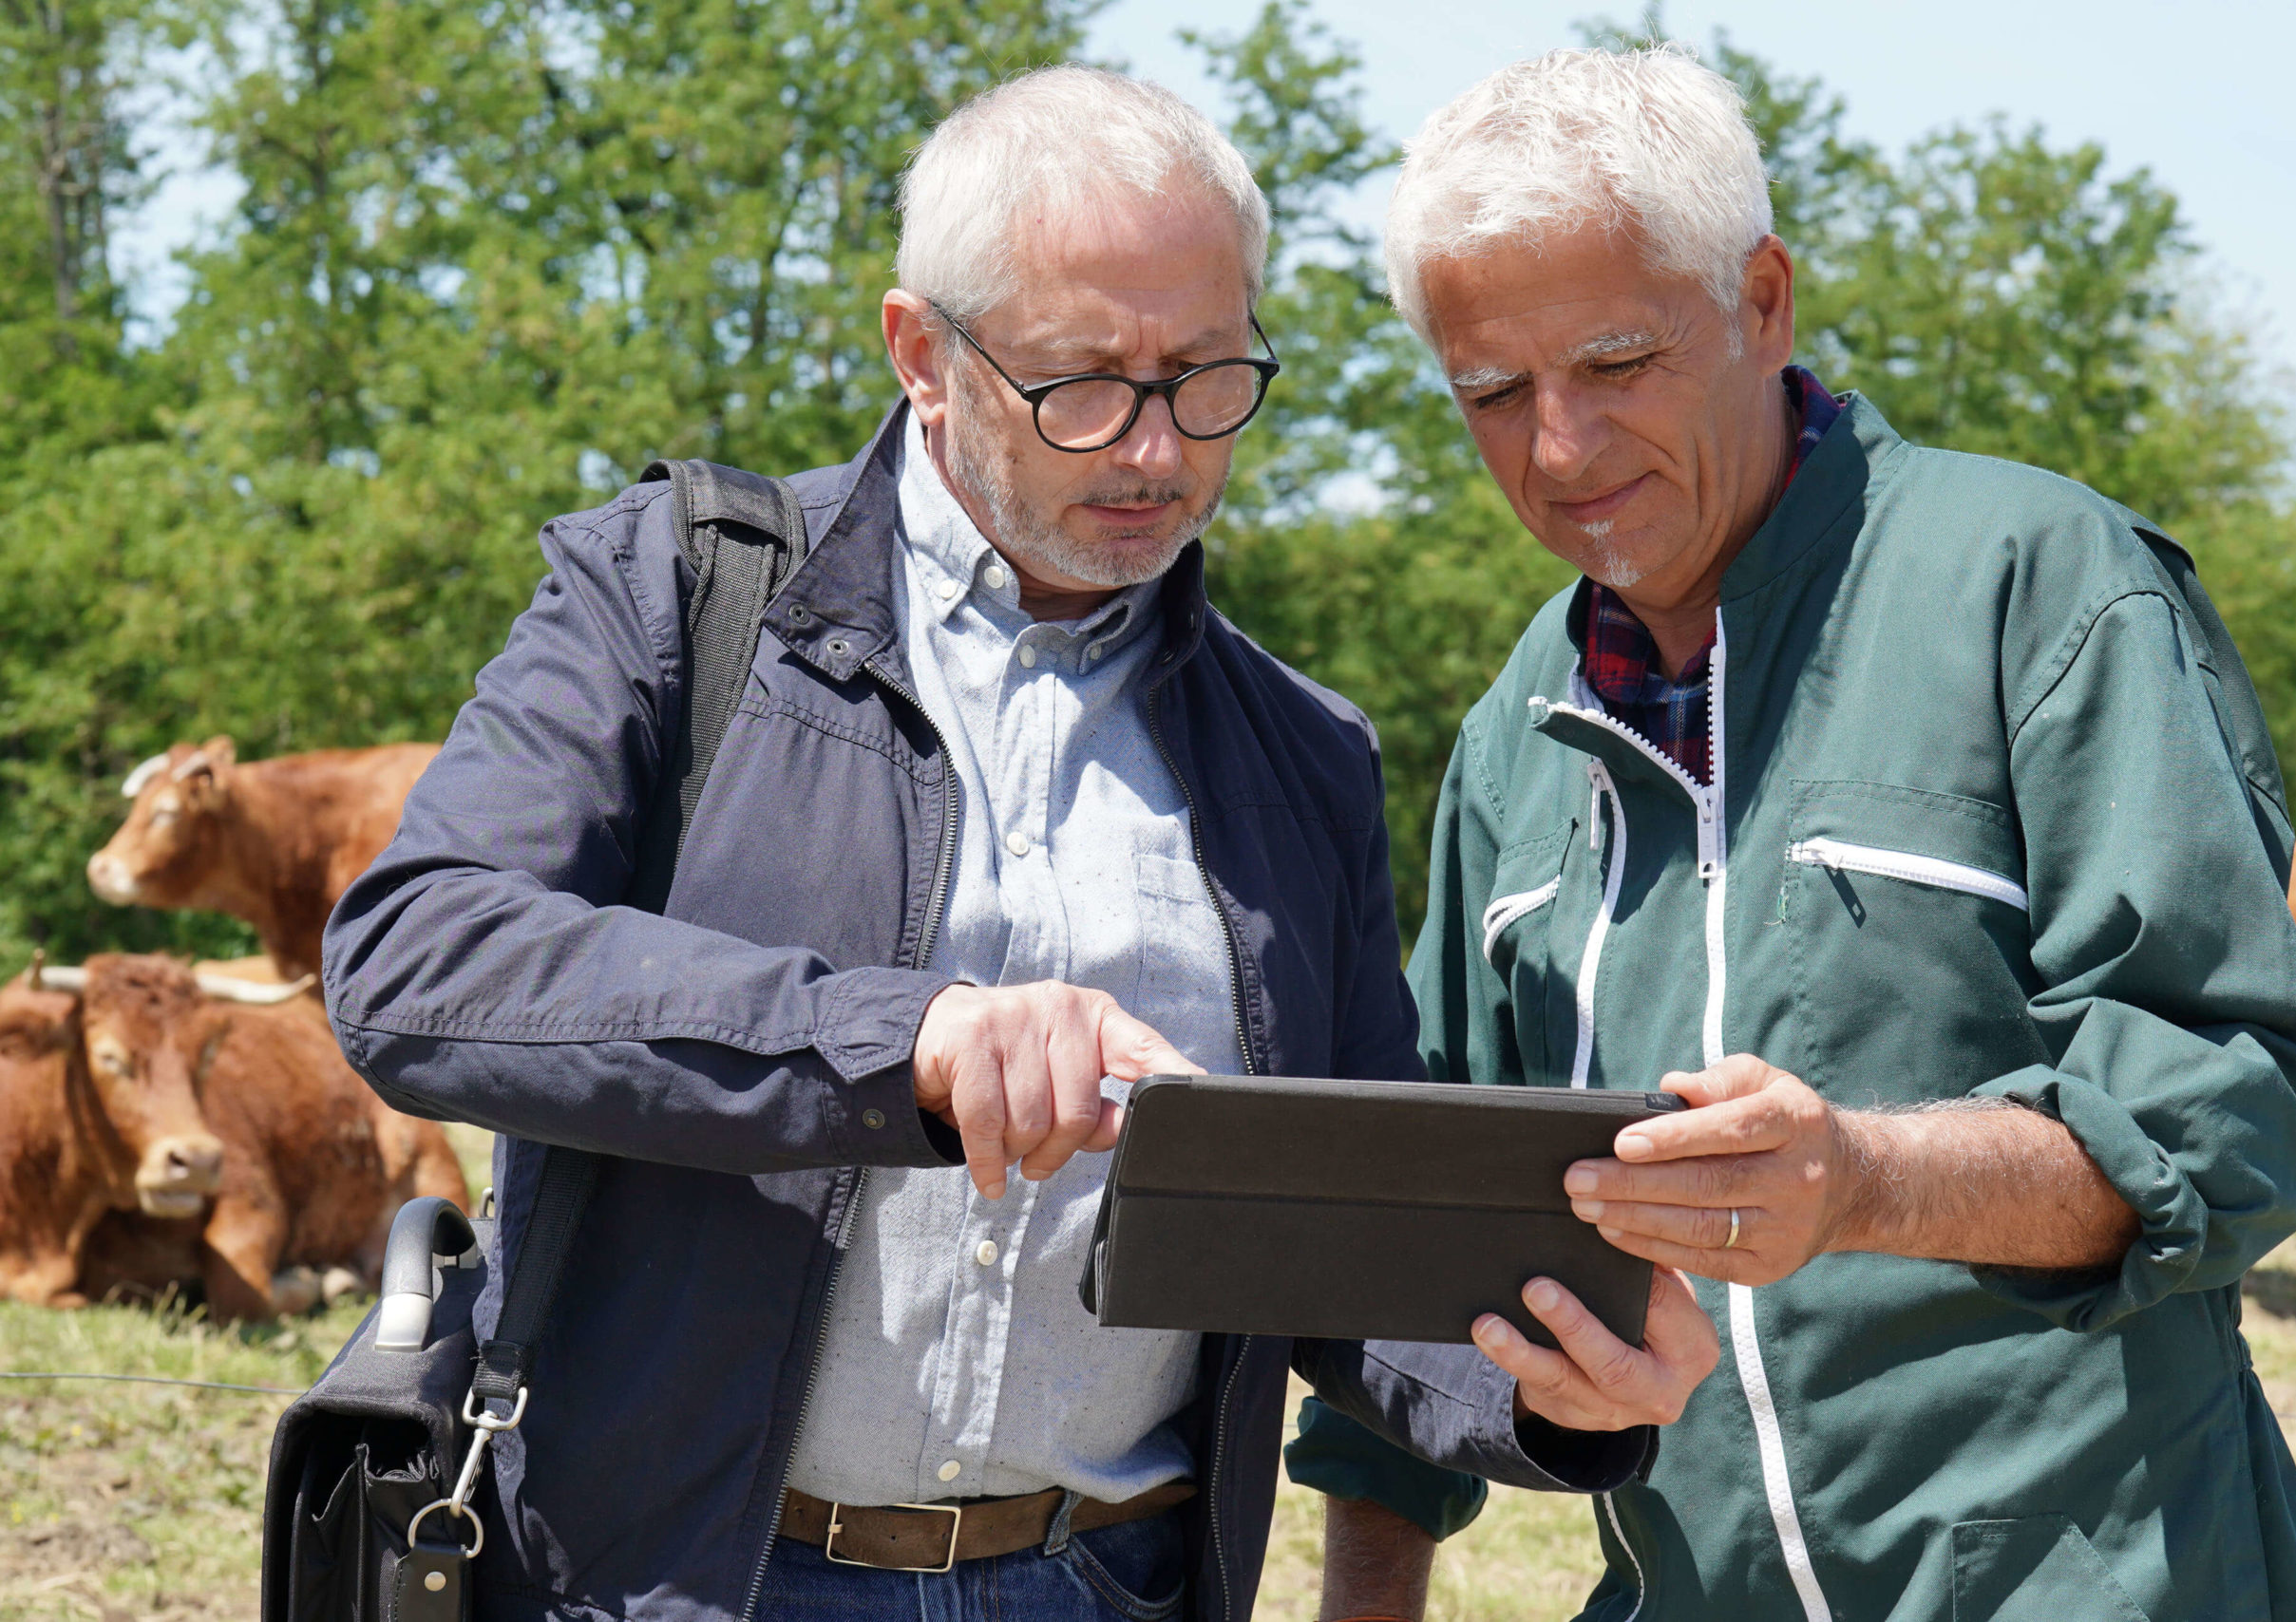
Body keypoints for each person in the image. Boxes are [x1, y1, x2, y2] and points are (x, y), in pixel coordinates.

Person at [323, 66, 1705, 1622]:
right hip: (678, 1583)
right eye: (1085, 383)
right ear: (922, 352)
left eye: (1207, 374)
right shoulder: (674, 596)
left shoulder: (1299, 751)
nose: (1156, 452)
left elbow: (1332, 1244)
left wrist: (1545, 1387)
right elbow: (418, 960)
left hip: (1111, 1581)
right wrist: (905, 1040)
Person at [1324, 41, 2296, 1621]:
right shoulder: (1516, 732)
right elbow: (1424, 1242)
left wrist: (1858, 1180)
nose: (1558, 451)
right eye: (1493, 393)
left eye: (1618, 362)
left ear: (1764, 298)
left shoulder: (2043, 585)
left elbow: (2235, 1109)